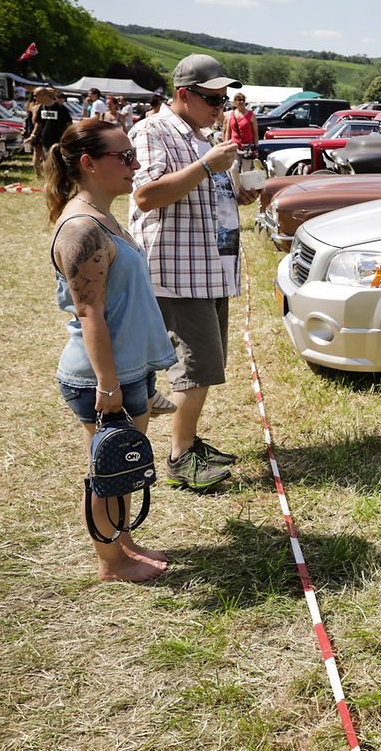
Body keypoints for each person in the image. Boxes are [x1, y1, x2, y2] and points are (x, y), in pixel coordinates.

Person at [47, 119, 176, 582]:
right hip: (103, 376)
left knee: (124, 467)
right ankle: (112, 563)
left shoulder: (102, 217)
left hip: (126, 370)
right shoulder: (82, 229)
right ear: (88, 163)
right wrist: (108, 385)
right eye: (124, 156)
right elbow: (90, 315)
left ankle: (125, 545)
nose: (134, 164)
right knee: (107, 474)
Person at [129, 53, 257, 489]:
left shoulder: (203, 136)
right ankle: (180, 457)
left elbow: (201, 190)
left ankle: (188, 444)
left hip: (209, 269)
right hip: (178, 272)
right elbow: (146, 196)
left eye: (223, 100)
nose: (221, 108)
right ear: (184, 94)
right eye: (212, 99)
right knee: (194, 367)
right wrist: (206, 167)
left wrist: (233, 192)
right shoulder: (153, 131)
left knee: (203, 365)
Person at [34, 87, 73, 179]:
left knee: (58, 161)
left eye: (36, 96)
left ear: (43, 95)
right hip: (45, 139)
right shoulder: (41, 107)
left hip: (58, 140)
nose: (34, 98)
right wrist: (33, 135)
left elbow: (69, 124)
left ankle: (60, 179)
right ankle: (50, 179)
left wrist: (69, 137)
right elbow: (38, 123)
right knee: (47, 160)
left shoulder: (60, 108)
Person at [222, 92, 259, 163]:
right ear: (235, 102)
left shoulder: (251, 115)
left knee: (246, 168)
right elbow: (228, 132)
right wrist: (226, 144)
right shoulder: (231, 115)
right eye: (239, 100)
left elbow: (255, 132)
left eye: (243, 100)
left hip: (247, 147)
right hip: (234, 146)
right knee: (234, 167)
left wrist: (256, 146)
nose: (241, 102)